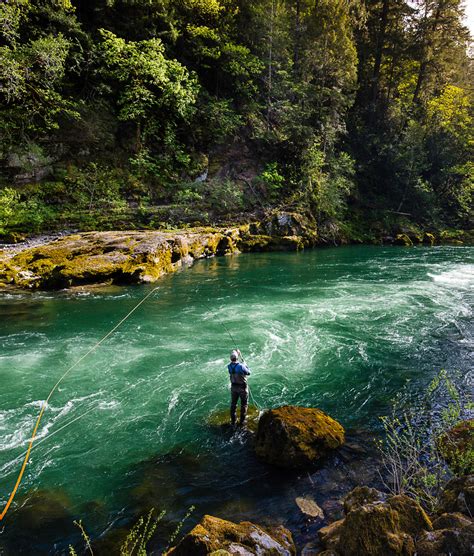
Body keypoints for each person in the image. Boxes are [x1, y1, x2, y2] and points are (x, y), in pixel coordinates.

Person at [228, 349, 251, 427]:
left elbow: (235, 366)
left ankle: (233, 421)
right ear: (237, 358)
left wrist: (237, 353)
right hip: (242, 388)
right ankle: (242, 422)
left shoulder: (229, 366)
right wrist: (245, 364)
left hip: (233, 388)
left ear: (230, 358)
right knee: (244, 405)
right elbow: (248, 372)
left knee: (233, 404)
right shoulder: (241, 366)